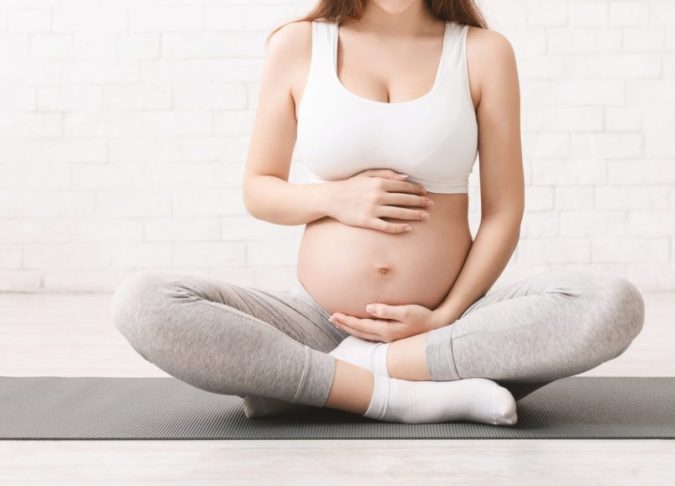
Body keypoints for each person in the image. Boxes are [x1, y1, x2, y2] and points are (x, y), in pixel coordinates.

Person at [111, 0, 645, 426]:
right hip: (319, 321)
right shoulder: (299, 45)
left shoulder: (483, 52)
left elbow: (504, 211)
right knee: (144, 302)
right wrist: (333, 198)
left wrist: (445, 316)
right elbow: (259, 189)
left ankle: (332, 381)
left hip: (444, 326)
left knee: (611, 304)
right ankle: (398, 394)